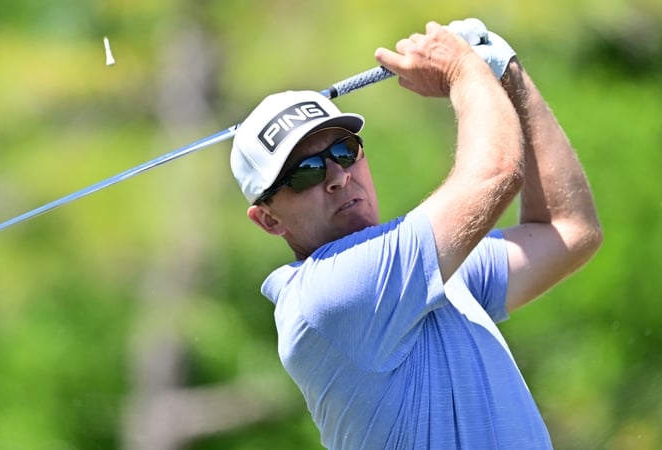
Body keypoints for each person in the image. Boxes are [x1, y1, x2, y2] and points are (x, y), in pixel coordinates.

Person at [229, 18, 602, 449]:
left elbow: (569, 230)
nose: (337, 177)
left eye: (344, 151)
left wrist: (506, 73)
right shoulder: (327, 296)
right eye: (305, 173)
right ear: (268, 220)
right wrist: (465, 71)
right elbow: (496, 173)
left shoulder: (422, 272)